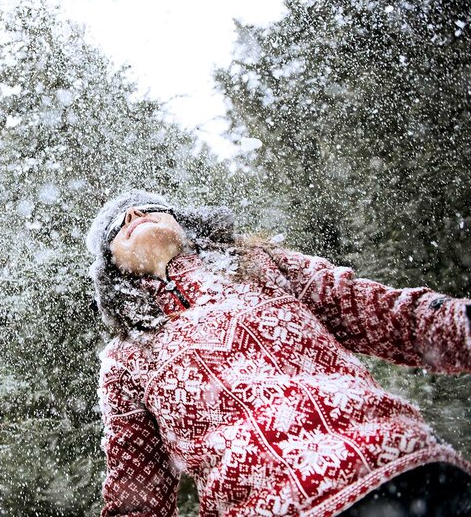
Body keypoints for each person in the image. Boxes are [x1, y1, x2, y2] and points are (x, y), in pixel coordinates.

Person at [85, 190, 471, 517]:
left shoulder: (262, 266)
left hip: (404, 468)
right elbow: (137, 497)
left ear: (184, 223)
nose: (134, 214)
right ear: (112, 267)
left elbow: (395, 317)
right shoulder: (127, 359)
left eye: (150, 208)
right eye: (118, 225)